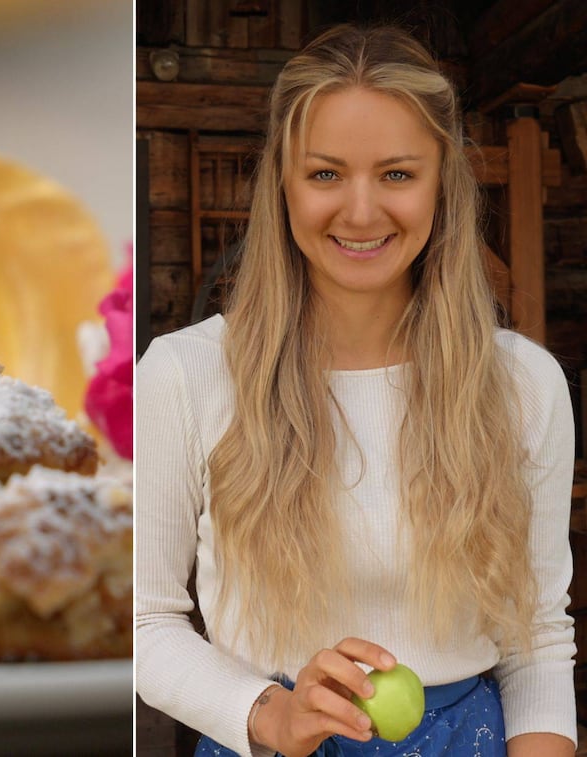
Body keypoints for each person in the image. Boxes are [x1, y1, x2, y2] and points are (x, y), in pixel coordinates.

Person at [135, 23, 576, 757]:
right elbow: (143, 623)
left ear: (443, 181)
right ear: (283, 181)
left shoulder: (523, 384)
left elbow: (536, 638)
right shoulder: (184, 375)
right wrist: (269, 714)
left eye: (398, 174)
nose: (362, 211)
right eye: (326, 174)